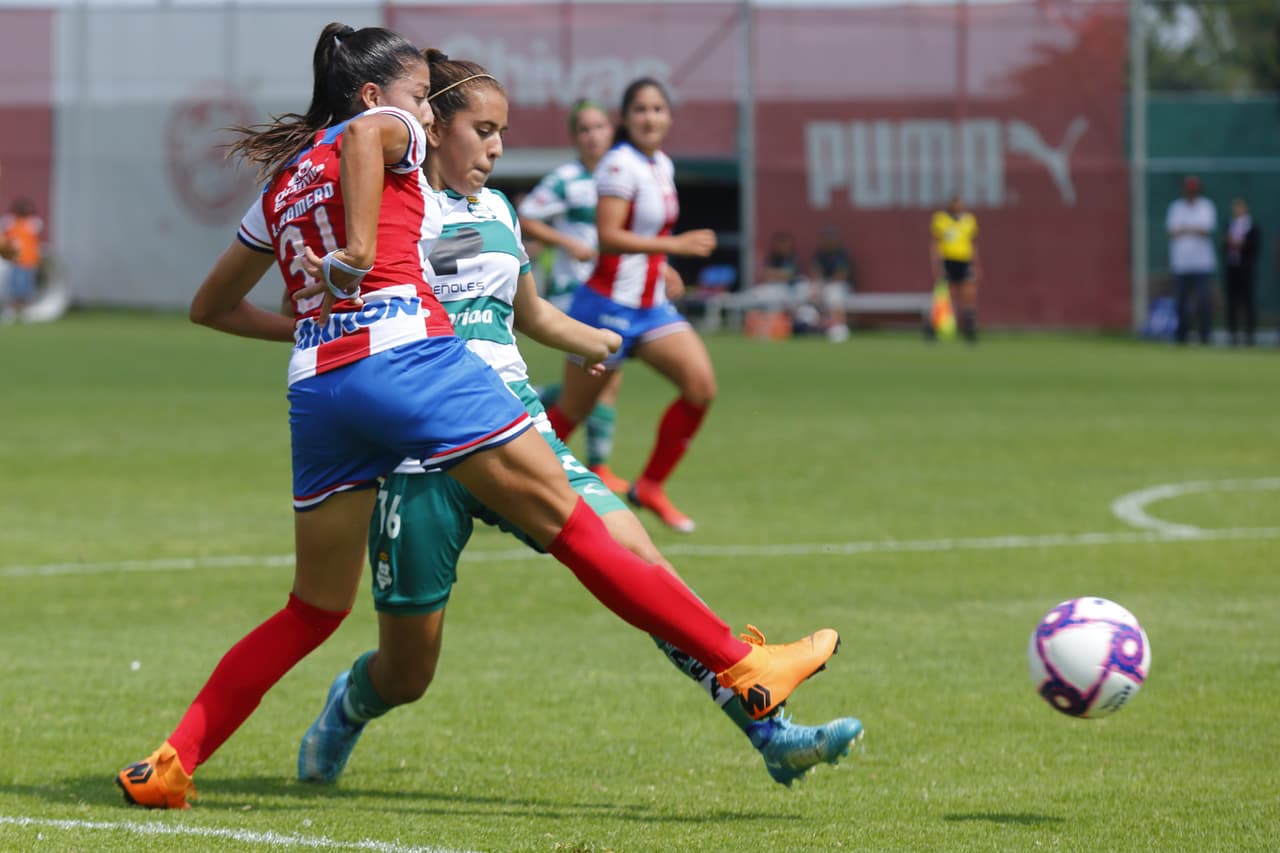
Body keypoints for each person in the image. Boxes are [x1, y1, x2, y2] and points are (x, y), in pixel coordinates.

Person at [114, 24, 839, 810]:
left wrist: (311, 324)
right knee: (578, 532)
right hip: (414, 366)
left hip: (320, 385)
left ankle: (171, 761)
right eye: (422, 99)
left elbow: (209, 306)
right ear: (373, 95)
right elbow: (365, 139)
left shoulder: (287, 181)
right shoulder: (384, 131)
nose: (426, 115)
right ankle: (744, 664)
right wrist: (359, 252)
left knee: (313, 607)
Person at [295, 53, 862, 789]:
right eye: (484, 130)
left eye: (503, 132)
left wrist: (591, 339)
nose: (498, 148)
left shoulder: (499, 212)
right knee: (407, 673)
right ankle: (350, 704)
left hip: (514, 428)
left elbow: (528, 313)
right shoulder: (396, 209)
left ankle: (770, 732)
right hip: (420, 453)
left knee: (641, 564)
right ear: (434, 129)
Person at [543, 78, 717, 534]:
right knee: (569, 414)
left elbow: (646, 236)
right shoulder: (619, 165)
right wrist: (674, 246)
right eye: (640, 109)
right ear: (627, 117)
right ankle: (508, 488)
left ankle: (650, 486)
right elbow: (609, 236)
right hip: (606, 307)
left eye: (658, 109)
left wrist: (664, 266)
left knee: (700, 387)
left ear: (669, 117)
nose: (650, 117)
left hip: (651, 308)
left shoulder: (661, 163)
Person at [518, 100, 629, 494]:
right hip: (575, 294)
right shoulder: (566, 179)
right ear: (574, 137)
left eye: (599, 127)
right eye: (584, 129)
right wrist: (568, 242)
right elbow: (526, 216)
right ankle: (597, 465)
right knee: (602, 376)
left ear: (611, 130)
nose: (593, 135)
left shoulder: (621, 177)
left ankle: (531, 404)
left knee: (600, 379)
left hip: (611, 291)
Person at [1166, 175, 1217, 346]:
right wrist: (1193, 228)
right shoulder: (1176, 207)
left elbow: (1205, 230)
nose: (1191, 193)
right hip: (1181, 263)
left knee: (1203, 301)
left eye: (1194, 190)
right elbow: (1172, 231)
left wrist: (1185, 228)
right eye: (1189, 190)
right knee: (1181, 302)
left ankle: (1205, 336)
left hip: (1202, 263)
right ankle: (1181, 336)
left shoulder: (1206, 206)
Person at [929, 195, 980, 344]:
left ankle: (969, 330)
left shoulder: (969, 220)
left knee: (969, 295)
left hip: (964, 261)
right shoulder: (941, 219)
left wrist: (976, 264)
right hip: (948, 261)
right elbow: (935, 243)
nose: (958, 206)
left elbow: (972, 243)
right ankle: (933, 329)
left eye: (960, 203)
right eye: (956, 203)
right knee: (945, 297)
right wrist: (937, 264)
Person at [1222, 197, 1260, 347]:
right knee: (1232, 301)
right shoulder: (1229, 224)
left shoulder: (1252, 226)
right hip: (1232, 268)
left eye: (1240, 207)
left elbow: (1254, 246)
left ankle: (1250, 333)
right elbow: (1223, 245)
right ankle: (1233, 333)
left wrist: (1241, 244)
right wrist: (1228, 242)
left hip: (1246, 269)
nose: (1237, 210)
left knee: (1248, 301)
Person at [0, 197, 43, 322]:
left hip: (29, 261)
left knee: (27, 288)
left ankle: (25, 311)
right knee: (13, 287)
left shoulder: (33, 223)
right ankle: (11, 311)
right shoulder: (10, 222)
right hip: (14, 261)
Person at [807, 224, 852, 342]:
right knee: (812, 291)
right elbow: (815, 272)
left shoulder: (841, 254)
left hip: (841, 286)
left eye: (831, 238)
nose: (828, 241)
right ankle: (817, 328)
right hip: (824, 285)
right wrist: (819, 285)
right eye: (826, 238)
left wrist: (825, 285)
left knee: (834, 292)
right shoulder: (819, 254)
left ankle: (840, 327)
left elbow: (841, 276)